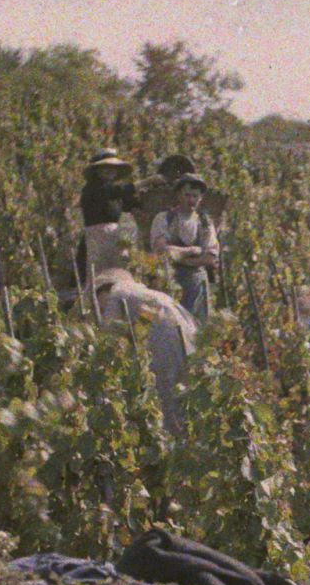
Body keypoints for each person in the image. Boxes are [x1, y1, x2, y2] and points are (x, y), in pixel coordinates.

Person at [91, 265, 198, 439]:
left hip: (162, 338)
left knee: (164, 392)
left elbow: (107, 340)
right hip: (184, 331)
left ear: (105, 289)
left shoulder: (116, 295)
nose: (99, 308)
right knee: (184, 389)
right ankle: (188, 436)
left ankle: (173, 441)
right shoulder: (146, 293)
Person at [148, 173, 221, 323]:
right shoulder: (164, 219)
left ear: (201, 198)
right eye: (187, 195)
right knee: (169, 324)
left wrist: (179, 257)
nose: (191, 200)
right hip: (168, 279)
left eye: (196, 196)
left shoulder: (205, 222)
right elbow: (162, 251)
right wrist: (192, 251)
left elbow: (210, 257)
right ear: (178, 195)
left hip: (196, 284)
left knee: (197, 326)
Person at [75, 149, 140, 289]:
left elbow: (130, 204)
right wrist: (146, 182)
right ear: (97, 170)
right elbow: (117, 191)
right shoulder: (93, 188)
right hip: (97, 237)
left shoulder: (114, 193)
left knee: (116, 273)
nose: (110, 171)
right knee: (99, 277)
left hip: (113, 235)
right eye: (106, 168)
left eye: (113, 168)